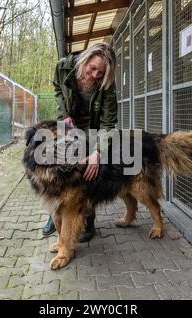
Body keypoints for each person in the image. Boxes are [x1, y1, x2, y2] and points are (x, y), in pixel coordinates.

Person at [42, 43, 119, 242]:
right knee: (58, 167)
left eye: (100, 74)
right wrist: (64, 115)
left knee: (88, 172)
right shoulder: (63, 67)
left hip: (91, 128)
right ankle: (57, 213)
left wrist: (98, 153)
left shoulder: (107, 86)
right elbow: (58, 89)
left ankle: (87, 221)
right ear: (85, 59)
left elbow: (108, 122)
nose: (94, 76)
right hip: (67, 123)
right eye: (92, 68)